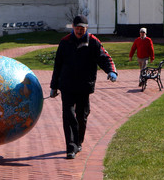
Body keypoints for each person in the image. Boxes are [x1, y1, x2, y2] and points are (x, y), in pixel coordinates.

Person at [49, 15, 118, 159]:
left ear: (86, 29)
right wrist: (54, 86)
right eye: (77, 29)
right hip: (67, 85)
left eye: (82, 29)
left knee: (82, 115)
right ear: (73, 28)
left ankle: (78, 142)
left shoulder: (93, 42)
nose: (79, 31)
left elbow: (104, 57)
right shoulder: (65, 42)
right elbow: (58, 66)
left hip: (84, 86)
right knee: (68, 116)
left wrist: (111, 71)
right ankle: (71, 147)